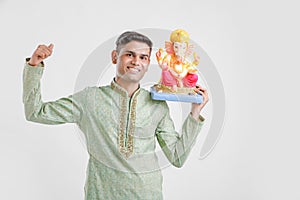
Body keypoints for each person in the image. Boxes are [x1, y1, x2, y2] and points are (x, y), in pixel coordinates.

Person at [23, 31, 209, 200]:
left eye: (143, 57)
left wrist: (195, 112)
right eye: (130, 54)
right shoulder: (90, 99)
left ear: (148, 63)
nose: (136, 61)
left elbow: (177, 157)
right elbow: (36, 112)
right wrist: (34, 65)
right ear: (115, 57)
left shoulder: (157, 105)